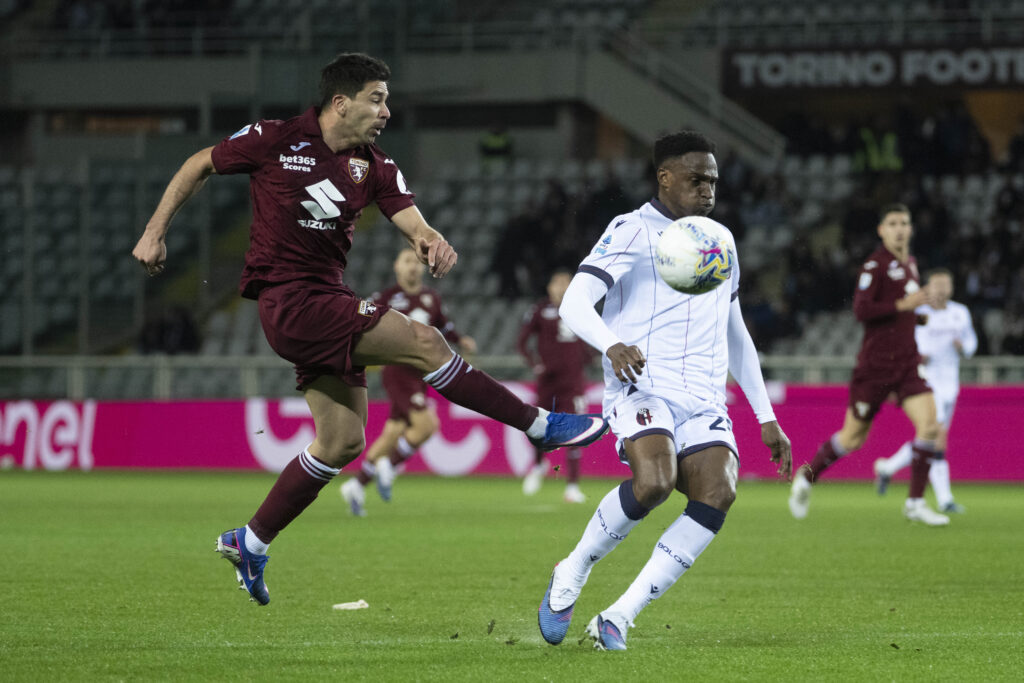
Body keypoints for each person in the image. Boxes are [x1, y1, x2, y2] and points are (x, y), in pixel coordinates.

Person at [131, 52, 608, 606]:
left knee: (343, 441)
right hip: (289, 299)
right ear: (342, 102)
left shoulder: (375, 166)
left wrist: (428, 239)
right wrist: (154, 231)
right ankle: (538, 424)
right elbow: (199, 164)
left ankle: (251, 540)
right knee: (426, 342)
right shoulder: (274, 139)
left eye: (387, 100)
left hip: (326, 299)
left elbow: (409, 216)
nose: (386, 110)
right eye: (376, 99)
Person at [536, 131, 792, 651]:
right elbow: (576, 304)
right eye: (696, 179)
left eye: (714, 181)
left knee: (718, 492)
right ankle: (574, 566)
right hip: (642, 387)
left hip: (703, 398)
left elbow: (735, 329)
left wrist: (764, 414)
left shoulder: (721, 241)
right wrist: (611, 345)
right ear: (664, 178)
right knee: (655, 482)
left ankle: (619, 616)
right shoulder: (631, 230)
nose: (707, 190)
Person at [789, 203, 949, 526]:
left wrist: (915, 313)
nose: (900, 228)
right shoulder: (874, 266)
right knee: (853, 438)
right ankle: (806, 477)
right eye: (893, 223)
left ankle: (915, 502)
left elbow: (900, 311)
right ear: (881, 230)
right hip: (875, 367)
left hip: (907, 364)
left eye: (905, 222)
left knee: (931, 425)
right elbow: (862, 311)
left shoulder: (911, 264)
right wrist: (905, 304)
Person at [339, 247, 477, 516]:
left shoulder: (431, 297)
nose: (413, 266)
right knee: (427, 425)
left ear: (423, 268)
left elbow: (444, 327)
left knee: (392, 432)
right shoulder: (385, 299)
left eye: (416, 262)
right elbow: (360, 323)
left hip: (421, 372)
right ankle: (389, 466)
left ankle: (356, 486)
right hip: (399, 370)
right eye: (407, 261)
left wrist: (461, 340)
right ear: (396, 267)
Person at [873, 268, 977, 513]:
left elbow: (972, 343)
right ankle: (945, 499)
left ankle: (887, 468)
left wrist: (964, 347)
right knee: (938, 437)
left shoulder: (960, 313)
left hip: (950, 384)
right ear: (928, 288)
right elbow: (903, 340)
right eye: (936, 285)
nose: (940, 290)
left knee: (930, 438)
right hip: (926, 382)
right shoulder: (919, 313)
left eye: (945, 285)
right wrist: (916, 356)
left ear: (951, 288)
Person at [517, 268, 593, 503]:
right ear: (549, 287)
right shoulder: (541, 309)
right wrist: (536, 364)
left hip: (572, 383)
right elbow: (521, 342)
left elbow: (591, 338)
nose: (561, 287)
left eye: (565, 282)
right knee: (539, 426)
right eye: (557, 282)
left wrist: (587, 359)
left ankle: (572, 486)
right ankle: (539, 465)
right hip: (547, 382)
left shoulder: (581, 308)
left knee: (575, 431)